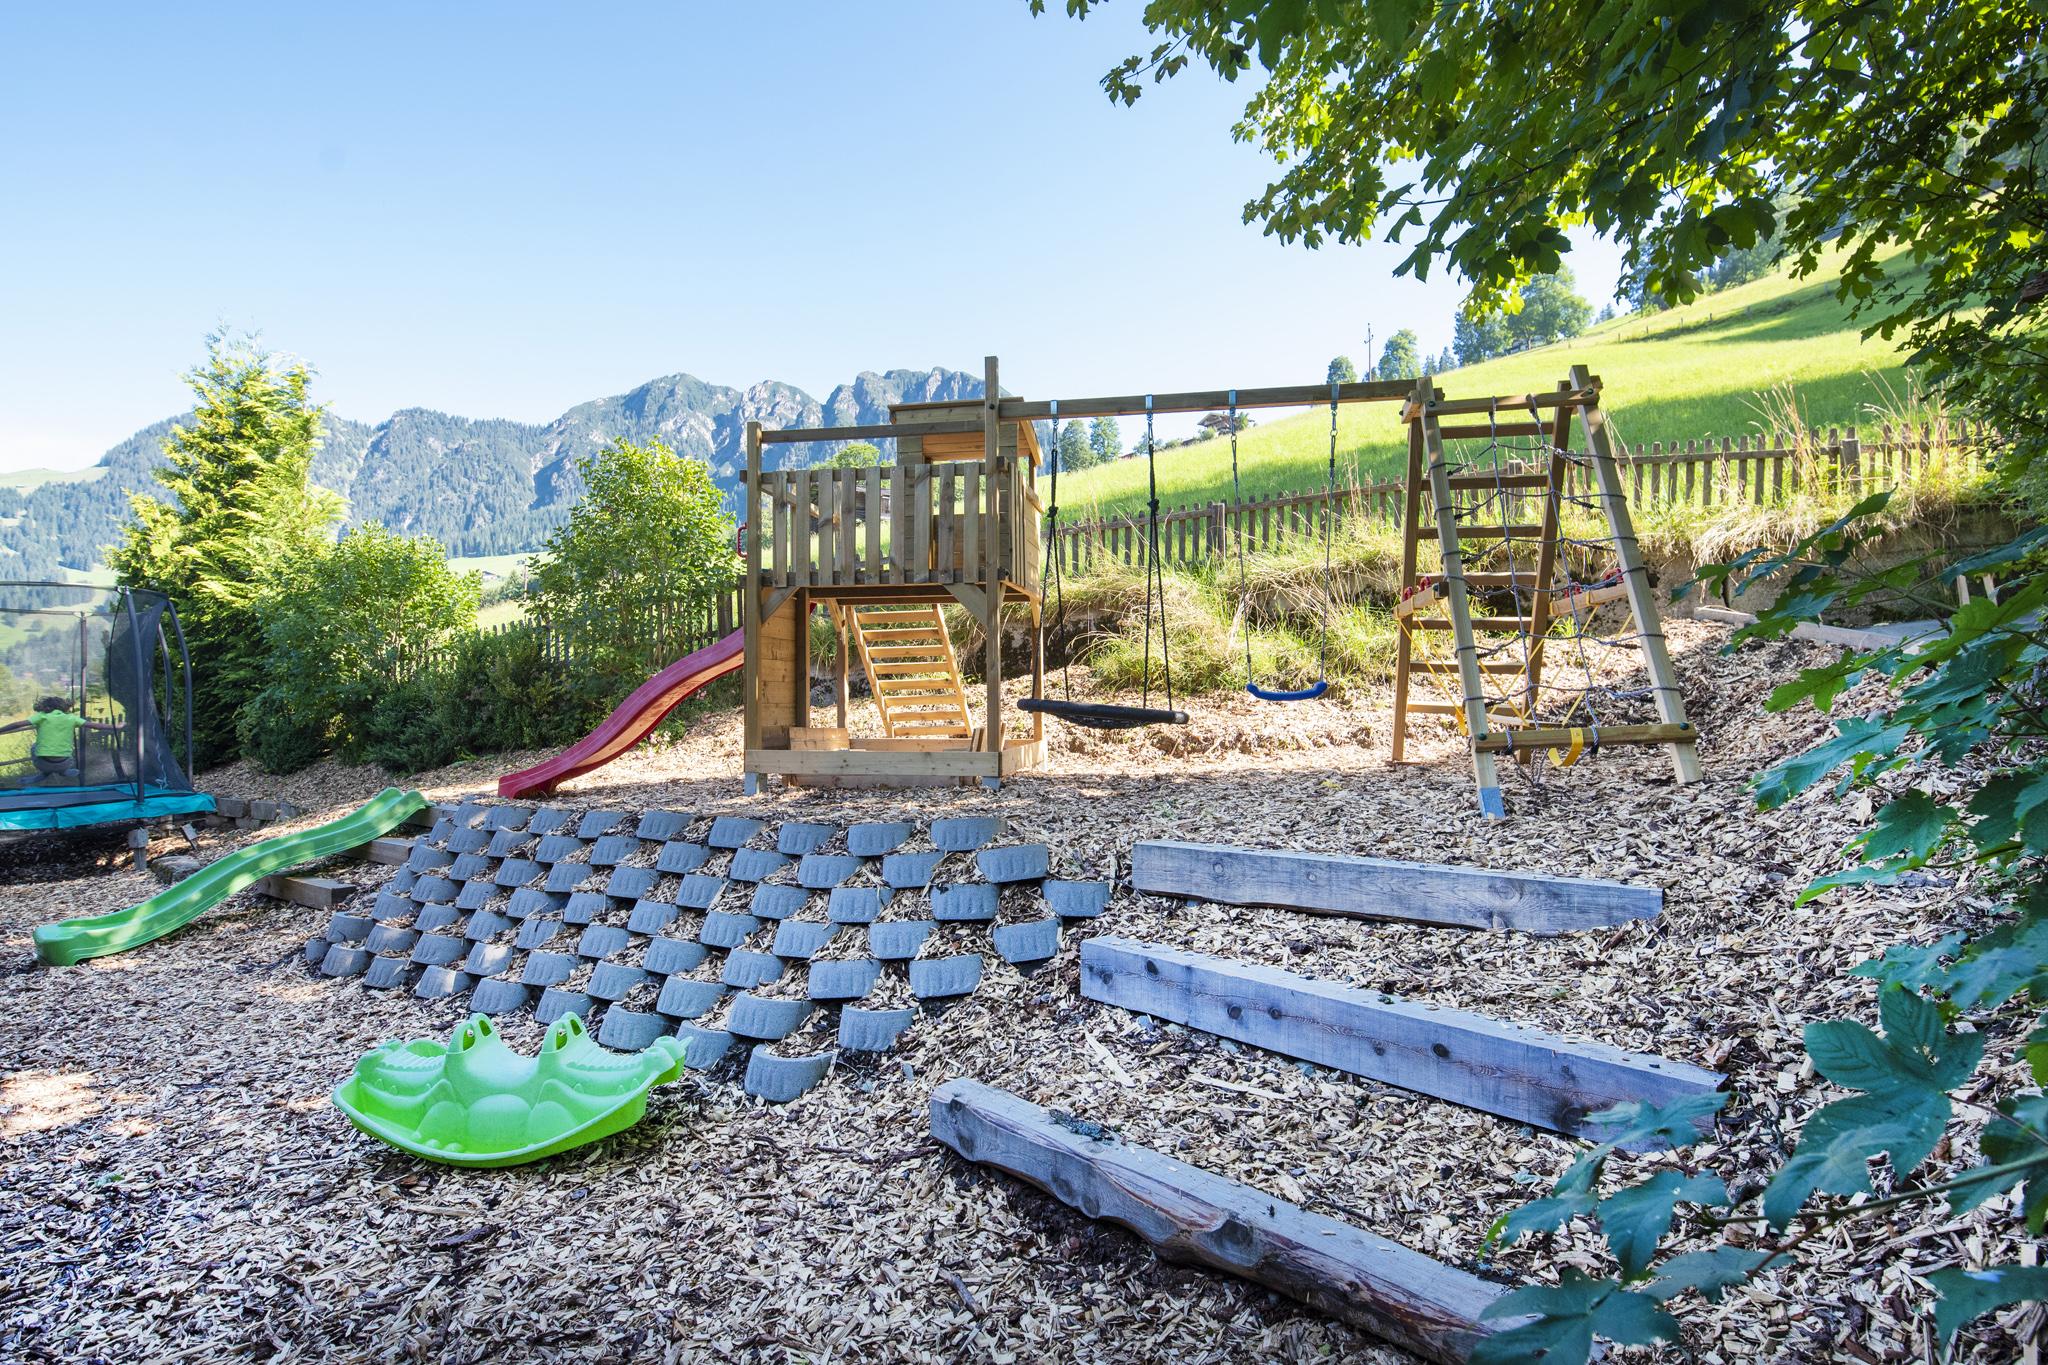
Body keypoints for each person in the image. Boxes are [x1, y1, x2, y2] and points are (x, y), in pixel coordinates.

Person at [0, 696, 116, 786]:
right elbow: (97, 726)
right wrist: (116, 726)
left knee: (35, 746)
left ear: (45, 707)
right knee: (65, 750)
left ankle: (43, 773)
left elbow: (17, 724)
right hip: (64, 763)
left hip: (43, 763)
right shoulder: (72, 718)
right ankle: (63, 771)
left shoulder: (42, 716)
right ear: (64, 707)